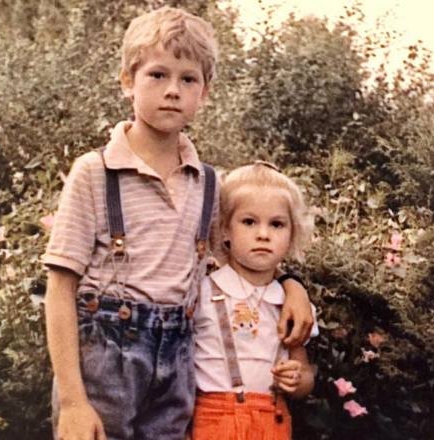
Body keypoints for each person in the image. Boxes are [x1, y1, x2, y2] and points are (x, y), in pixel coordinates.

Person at [42, 7, 314, 440]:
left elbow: (241, 259)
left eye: (188, 79)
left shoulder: (207, 183)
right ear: (127, 81)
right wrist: (74, 401)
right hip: (105, 365)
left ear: (204, 92)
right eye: (157, 75)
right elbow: (60, 289)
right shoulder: (95, 172)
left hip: (176, 365)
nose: (173, 90)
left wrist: (292, 286)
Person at [192, 162, 316, 440]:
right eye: (249, 222)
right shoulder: (203, 292)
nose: (263, 234)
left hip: (272, 420)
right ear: (225, 229)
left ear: (292, 234)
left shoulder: (292, 304)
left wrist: (296, 380)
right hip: (212, 418)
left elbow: (306, 375)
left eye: (277, 224)